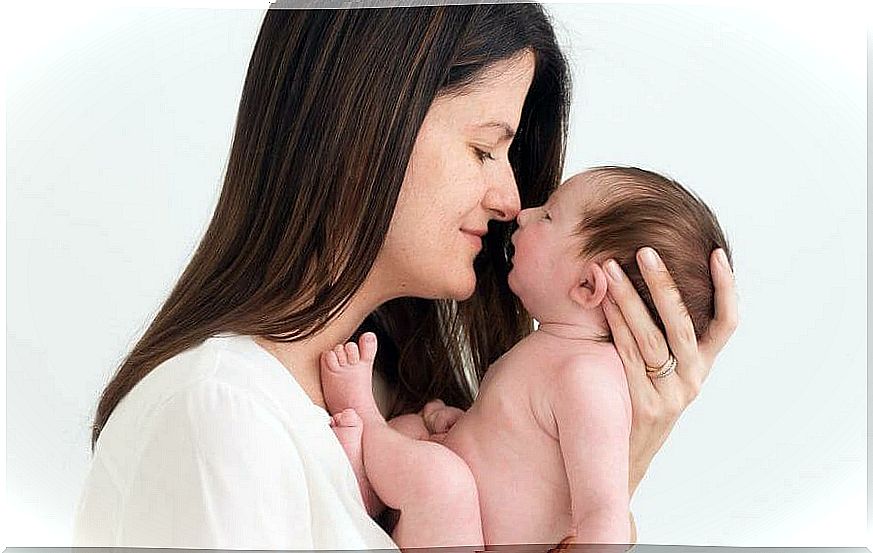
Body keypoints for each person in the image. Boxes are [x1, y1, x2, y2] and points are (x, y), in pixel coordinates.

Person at [72, 5, 738, 550]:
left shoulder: (403, 392)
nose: (510, 200)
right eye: (483, 148)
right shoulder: (222, 416)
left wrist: (611, 470)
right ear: (364, 123)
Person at [320, 166, 733, 548]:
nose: (524, 214)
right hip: (452, 520)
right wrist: (470, 431)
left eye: (549, 216)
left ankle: (361, 412)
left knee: (442, 480)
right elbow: (523, 455)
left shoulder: (588, 378)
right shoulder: (551, 351)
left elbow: (603, 513)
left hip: (465, 535)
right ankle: (367, 483)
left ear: (588, 287)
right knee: (415, 428)